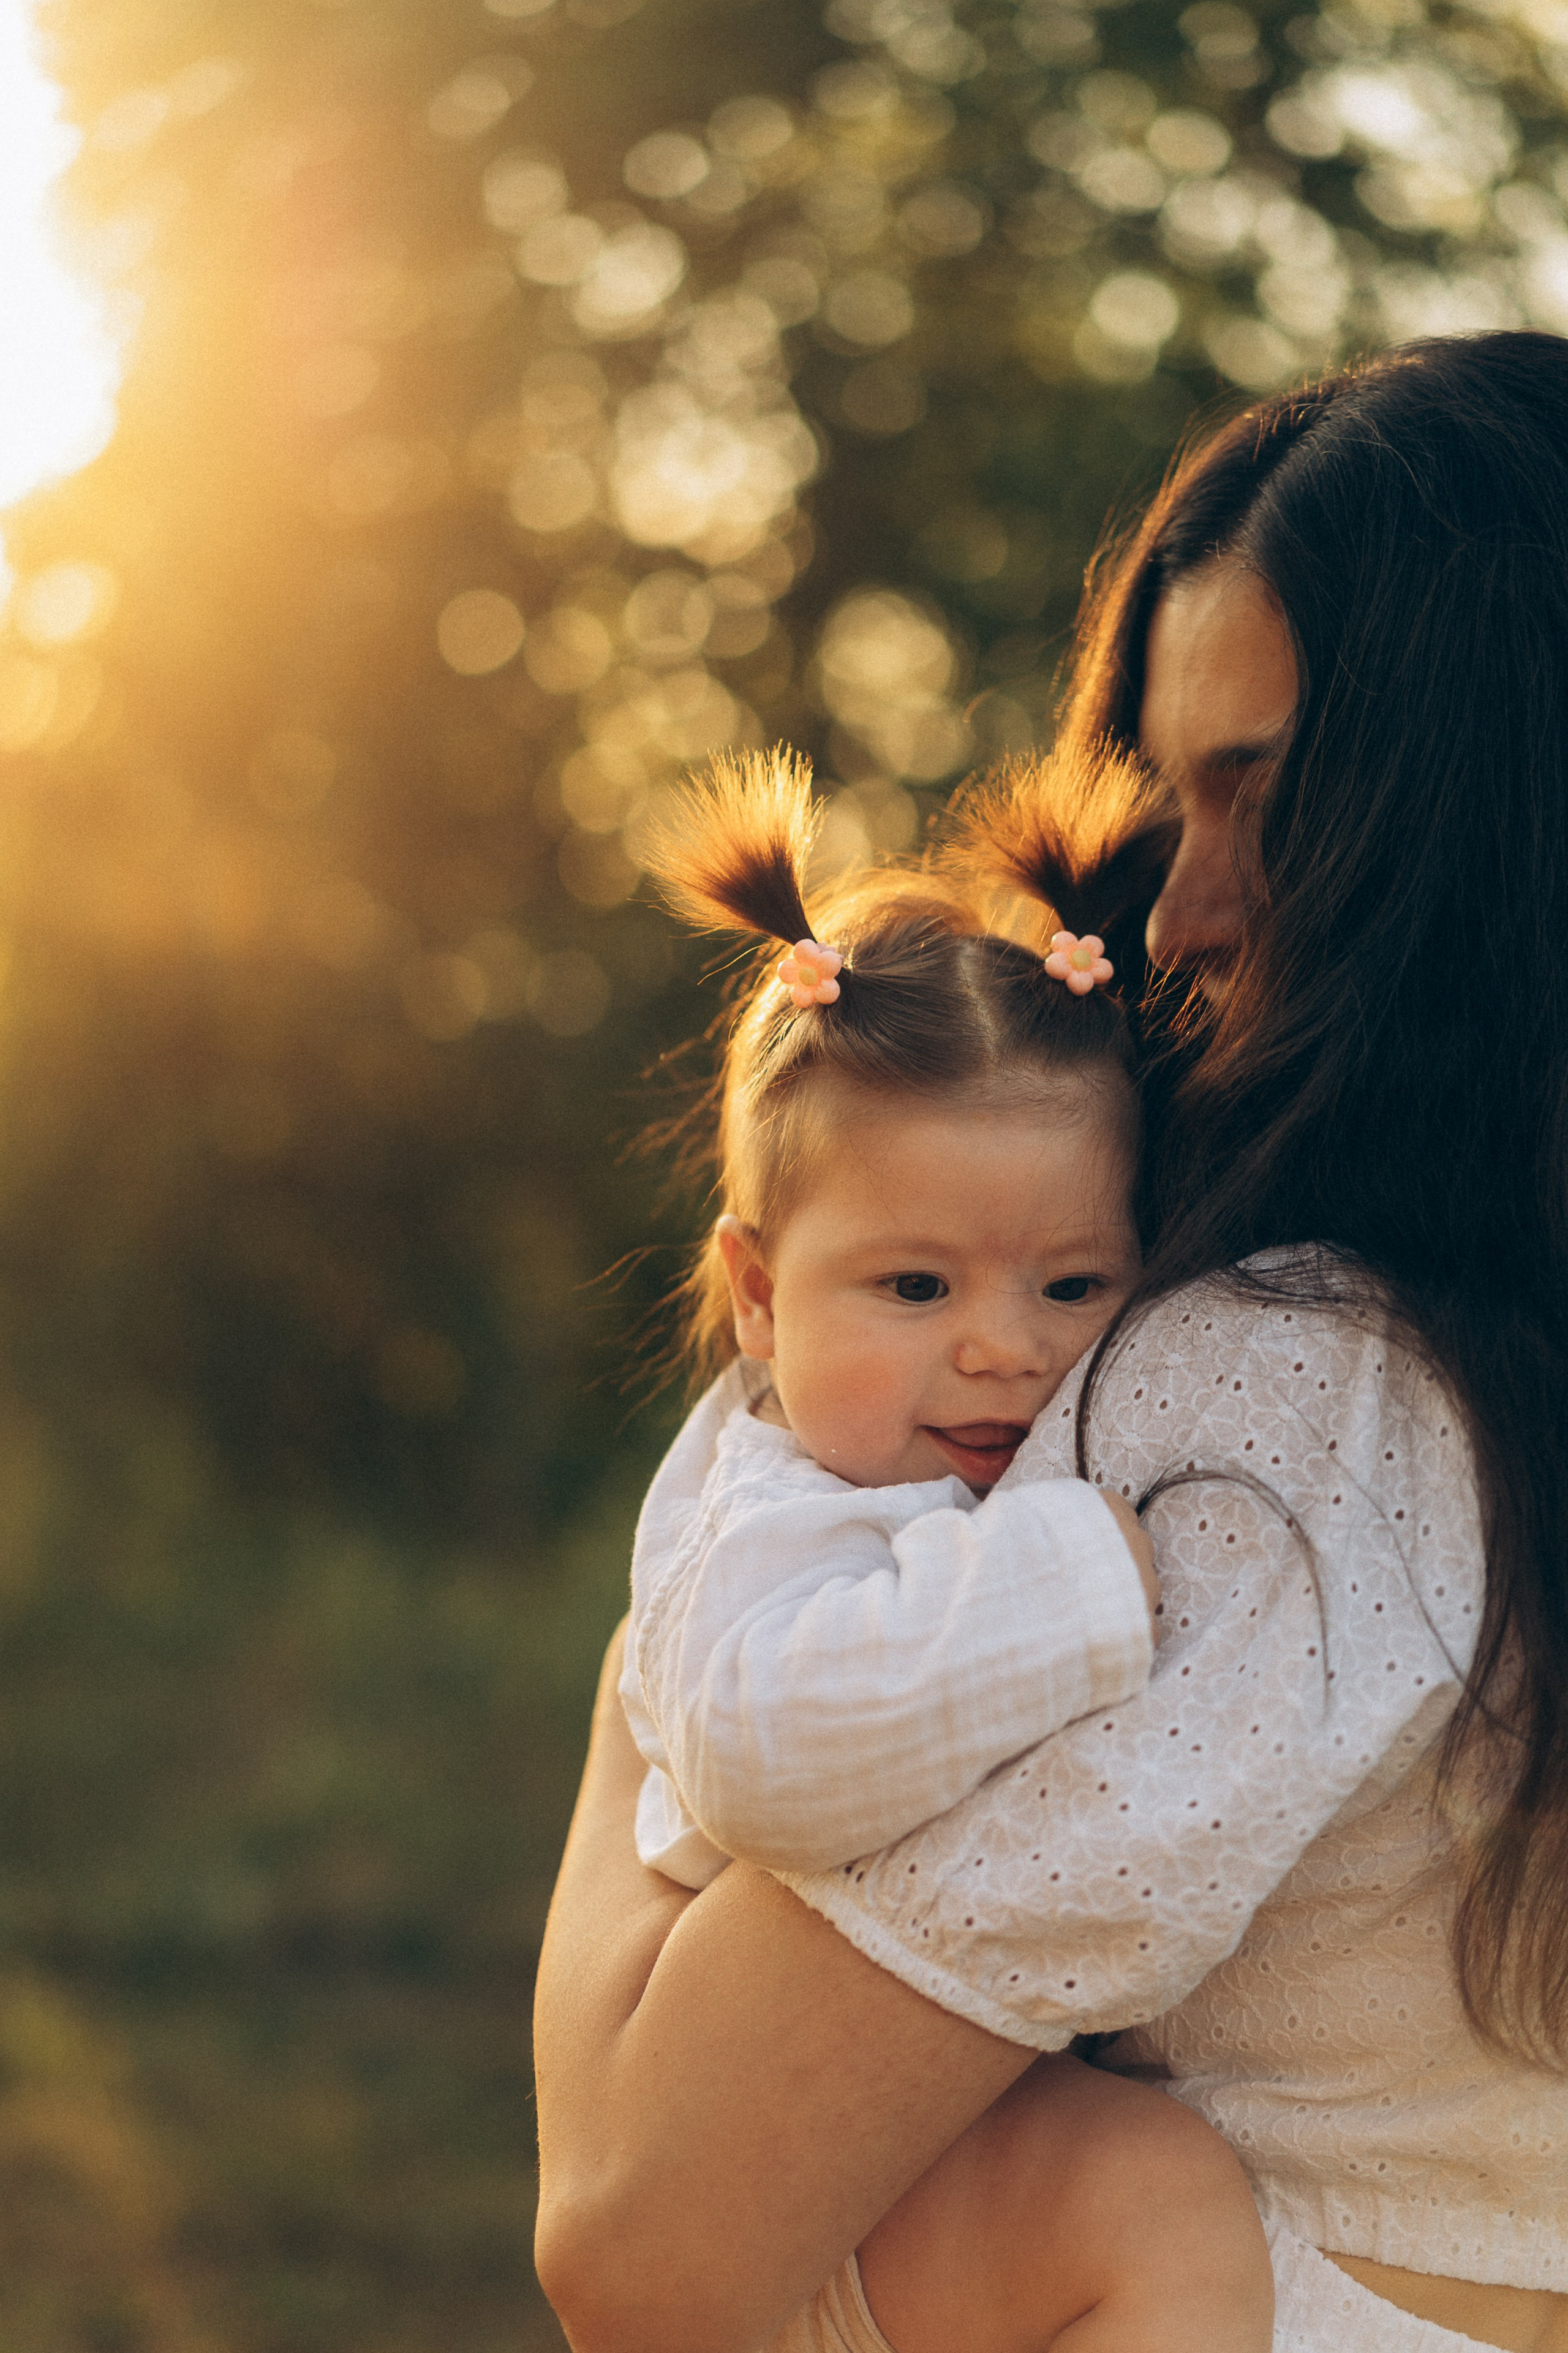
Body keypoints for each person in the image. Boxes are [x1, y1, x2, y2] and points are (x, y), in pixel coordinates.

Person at [533, 331, 1568, 2353]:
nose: (1176, 910)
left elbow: (642, 2236)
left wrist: (649, 1668)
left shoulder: (1286, 1400)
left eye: (1262, 798)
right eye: (1164, 800)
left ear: (1480, 814)